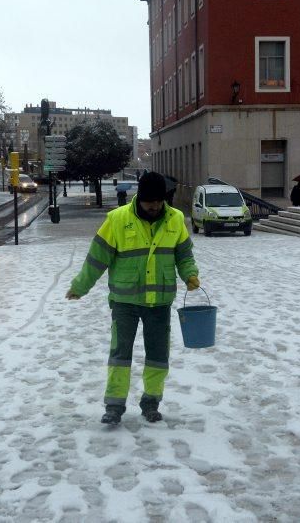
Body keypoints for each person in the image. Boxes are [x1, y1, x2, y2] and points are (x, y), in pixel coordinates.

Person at [66, 172, 200, 425]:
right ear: (139, 198)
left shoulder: (176, 219)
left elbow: (184, 256)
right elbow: (97, 258)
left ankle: (151, 402)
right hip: (124, 301)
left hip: (160, 302)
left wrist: (190, 275)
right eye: (150, 201)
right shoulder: (117, 220)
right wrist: (80, 287)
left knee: (158, 357)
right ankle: (114, 406)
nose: (155, 206)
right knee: (120, 354)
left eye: (159, 201)